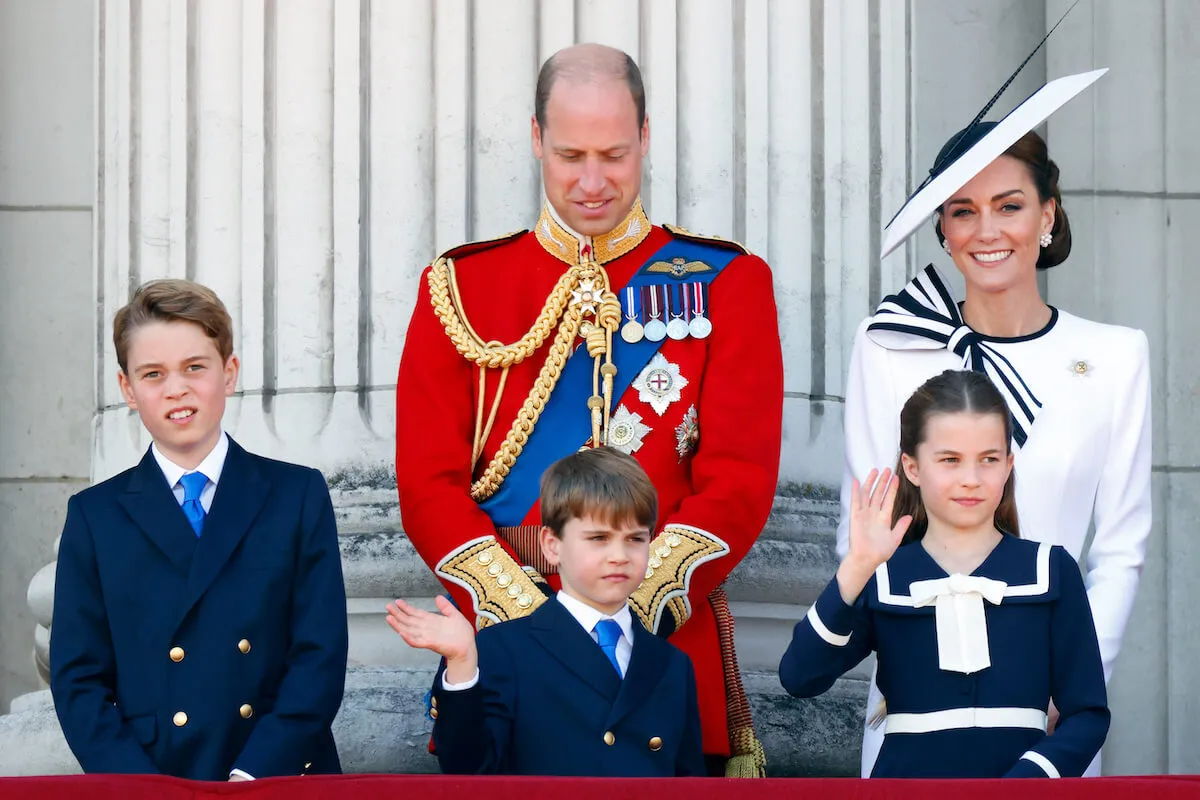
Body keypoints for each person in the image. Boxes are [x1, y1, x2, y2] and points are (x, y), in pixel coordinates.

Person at [393, 43, 782, 775]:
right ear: (536, 139)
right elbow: (426, 484)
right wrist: (533, 623)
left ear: (645, 137)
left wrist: (630, 603)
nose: (594, 182)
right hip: (509, 649)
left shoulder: (728, 281)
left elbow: (739, 481)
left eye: (615, 154)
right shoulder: (461, 287)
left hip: (663, 648)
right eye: (571, 155)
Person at [841, 69, 1150, 776]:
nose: (986, 231)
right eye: (961, 210)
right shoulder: (888, 347)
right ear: (942, 229)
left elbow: (1121, 550)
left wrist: (1069, 687)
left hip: (1048, 716)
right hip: (915, 707)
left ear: (1047, 215)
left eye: (1009, 206)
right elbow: (864, 532)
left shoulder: (1114, 356)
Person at [49, 279, 349, 781]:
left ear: (228, 373)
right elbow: (79, 680)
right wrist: (142, 788)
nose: (176, 389)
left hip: (276, 774)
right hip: (153, 779)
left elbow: (319, 655)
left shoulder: (296, 495)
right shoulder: (94, 517)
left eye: (194, 367)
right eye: (153, 374)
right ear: (127, 389)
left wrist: (254, 773)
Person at [785, 369, 1109, 778]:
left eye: (988, 460)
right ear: (913, 467)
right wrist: (857, 568)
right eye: (950, 460)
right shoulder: (882, 576)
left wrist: (1027, 783)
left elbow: (1088, 714)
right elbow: (799, 677)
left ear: (1009, 465)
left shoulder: (1050, 569)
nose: (971, 480)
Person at [388, 446, 704, 776]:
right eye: (598, 538)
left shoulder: (671, 664)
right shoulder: (503, 648)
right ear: (552, 546)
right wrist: (461, 663)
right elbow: (470, 770)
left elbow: (688, 782)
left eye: (636, 539)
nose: (620, 555)